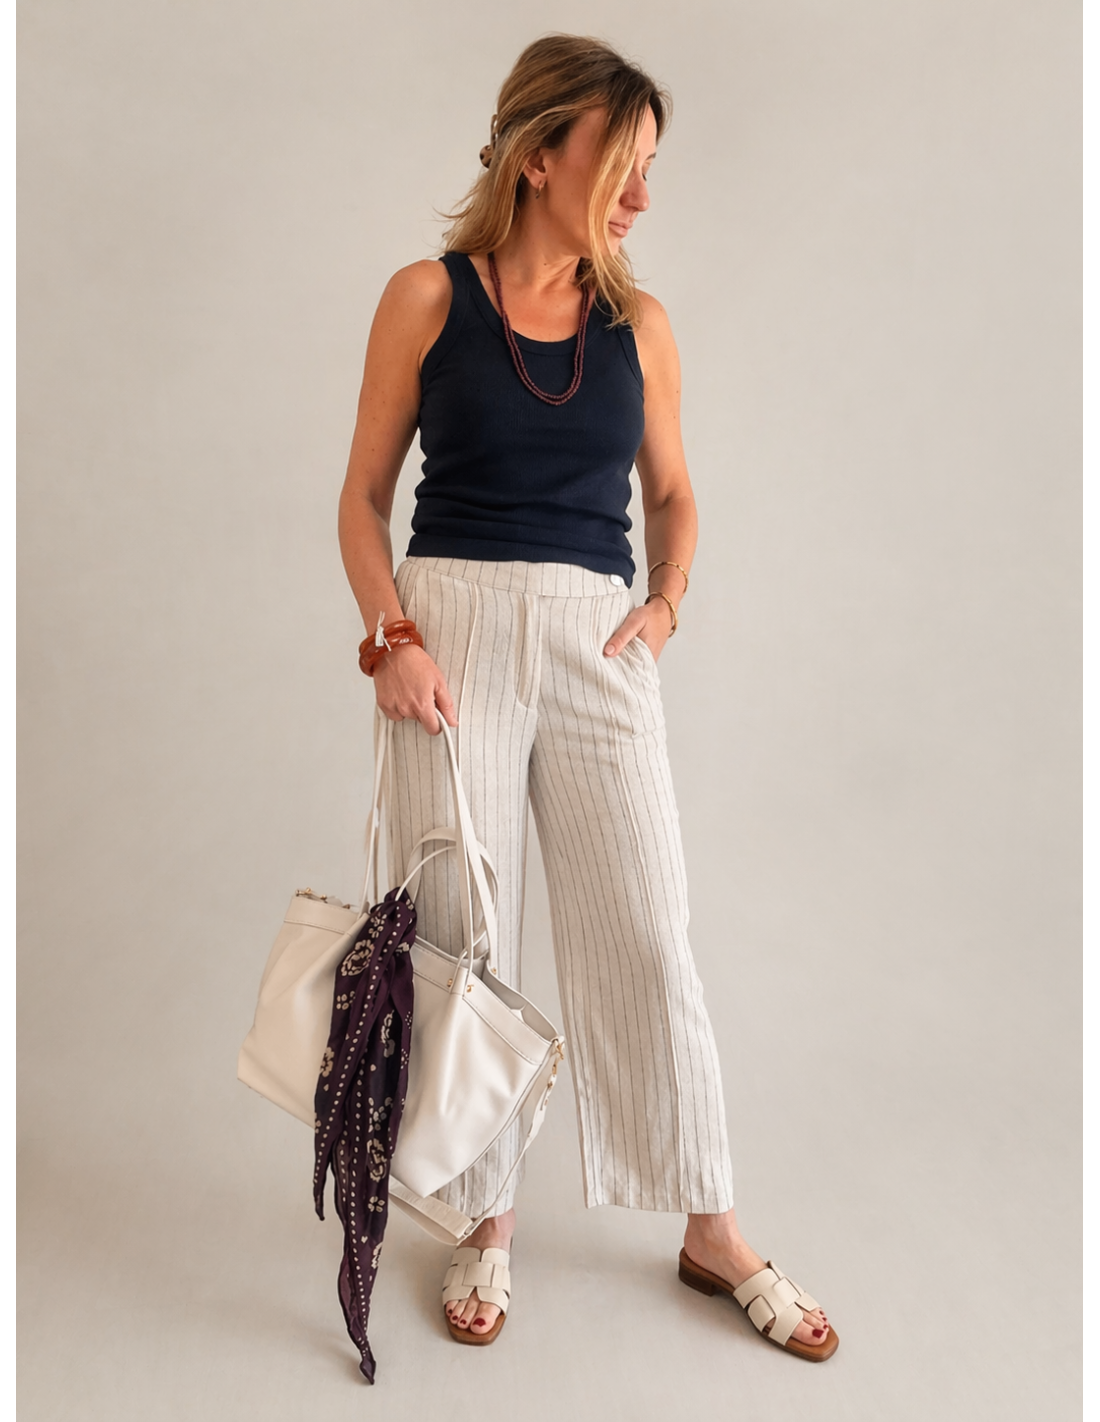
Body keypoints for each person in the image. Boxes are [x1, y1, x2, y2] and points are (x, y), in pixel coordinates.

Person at [337, 33, 836, 1362]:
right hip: (449, 631)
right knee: (465, 936)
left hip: (593, 639)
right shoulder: (426, 299)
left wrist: (664, 604)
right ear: (537, 154)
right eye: (624, 163)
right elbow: (362, 499)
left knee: (648, 928)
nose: (643, 196)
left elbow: (672, 494)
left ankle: (712, 1225)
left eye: (653, 168)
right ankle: (486, 1216)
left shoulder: (639, 328)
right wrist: (393, 637)